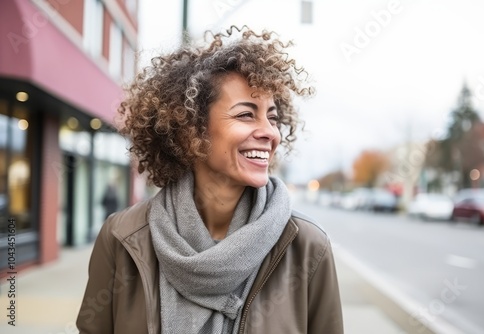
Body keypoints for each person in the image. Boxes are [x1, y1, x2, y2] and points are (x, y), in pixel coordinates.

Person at [76, 26, 343, 334]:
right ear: (192, 133)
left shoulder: (308, 247)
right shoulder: (123, 237)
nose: (270, 132)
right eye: (246, 114)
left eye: (272, 117)